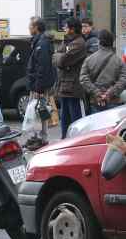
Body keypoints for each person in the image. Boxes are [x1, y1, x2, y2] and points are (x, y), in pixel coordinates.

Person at [53, 17, 88, 140]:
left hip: (73, 85)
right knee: (64, 118)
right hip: (64, 84)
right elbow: (55, 57)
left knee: (74, 118)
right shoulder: (67, 41)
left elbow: (63, 60)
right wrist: (59, 56)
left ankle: (76, 141)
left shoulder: (79, 43)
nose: (64, 29)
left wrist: (59, 56)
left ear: (72, 29)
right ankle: (65, 140)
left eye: (66, 27)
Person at [25, 17, 57, 149]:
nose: (29, 28)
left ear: (36, 27)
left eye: (30, 26)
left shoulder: (42, 44)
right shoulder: (39, 41)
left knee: (40, 111)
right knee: (38, 110)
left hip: (40, 85)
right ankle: (36, 137)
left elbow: (42, 67)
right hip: (38, 83)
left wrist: (38, 87)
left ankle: (41, 138)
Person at [80, 29, 126, 113]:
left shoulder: (89, 59)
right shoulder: (118, 61)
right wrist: (109, 93)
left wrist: (97, 93)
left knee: (96, 125)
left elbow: (83, 78)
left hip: (95, 101)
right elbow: (123, 79)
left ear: (99, 42)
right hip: (113, 101)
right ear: (112, 42)